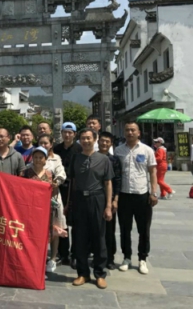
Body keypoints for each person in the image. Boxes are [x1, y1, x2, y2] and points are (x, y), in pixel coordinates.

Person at [69, 128, 113, 289]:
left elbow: (108, 183)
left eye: (89, 138)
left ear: (95, 139)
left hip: (97, 198)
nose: (86, 141)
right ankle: (83, 273)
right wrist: (69, 203)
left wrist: (108, 206)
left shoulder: (104, 159)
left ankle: (100, 274)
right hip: (79, 199)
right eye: (83, 138)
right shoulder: (76, 158)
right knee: (80, 236)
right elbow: (72, 182)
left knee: (99, 236)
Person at [115, 121, 158, 275]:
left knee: (144, 229)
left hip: (142, 195)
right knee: (124, 229)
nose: (130, 132)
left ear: (138, 133)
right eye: (127, 130)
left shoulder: (147, 150)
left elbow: (152, 172)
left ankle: (142, 258)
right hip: (124, 195)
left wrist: (153, 192)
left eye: (133, 130)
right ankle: (126, 257)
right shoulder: (118, 151)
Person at [34, 135, 67, 273]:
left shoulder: (56, 159)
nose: (43, 145)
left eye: (46, 143)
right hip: (35, 204)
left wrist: (56, 182)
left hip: (52, 200)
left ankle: (52, 258)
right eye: (41, 143)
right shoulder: (29, 168)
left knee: (54, 230)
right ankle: (38, 257)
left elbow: (61, 174)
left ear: (51, 144)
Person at [53, 121, 82, 267]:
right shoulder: (56, 149)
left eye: (70, 133)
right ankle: (63, 253)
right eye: (65, 132)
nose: (67, 135)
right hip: (60, 189)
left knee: (76, 223)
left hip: (75, 188)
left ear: (74, 134)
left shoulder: (79, 149)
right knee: (60, 221)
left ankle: (76, 253)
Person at [98, 132, 122, 270]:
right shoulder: (92, 157)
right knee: (95, 229)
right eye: (102, 141)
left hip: (109, 198)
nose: (104, 143)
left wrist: (115, 199)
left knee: (109, 230)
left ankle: (110, 258)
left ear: (111, 144)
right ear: (98, 142)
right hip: (95, 197)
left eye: (107, 141)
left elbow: (117, 180)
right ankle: (97, 256)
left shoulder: (114, 160)